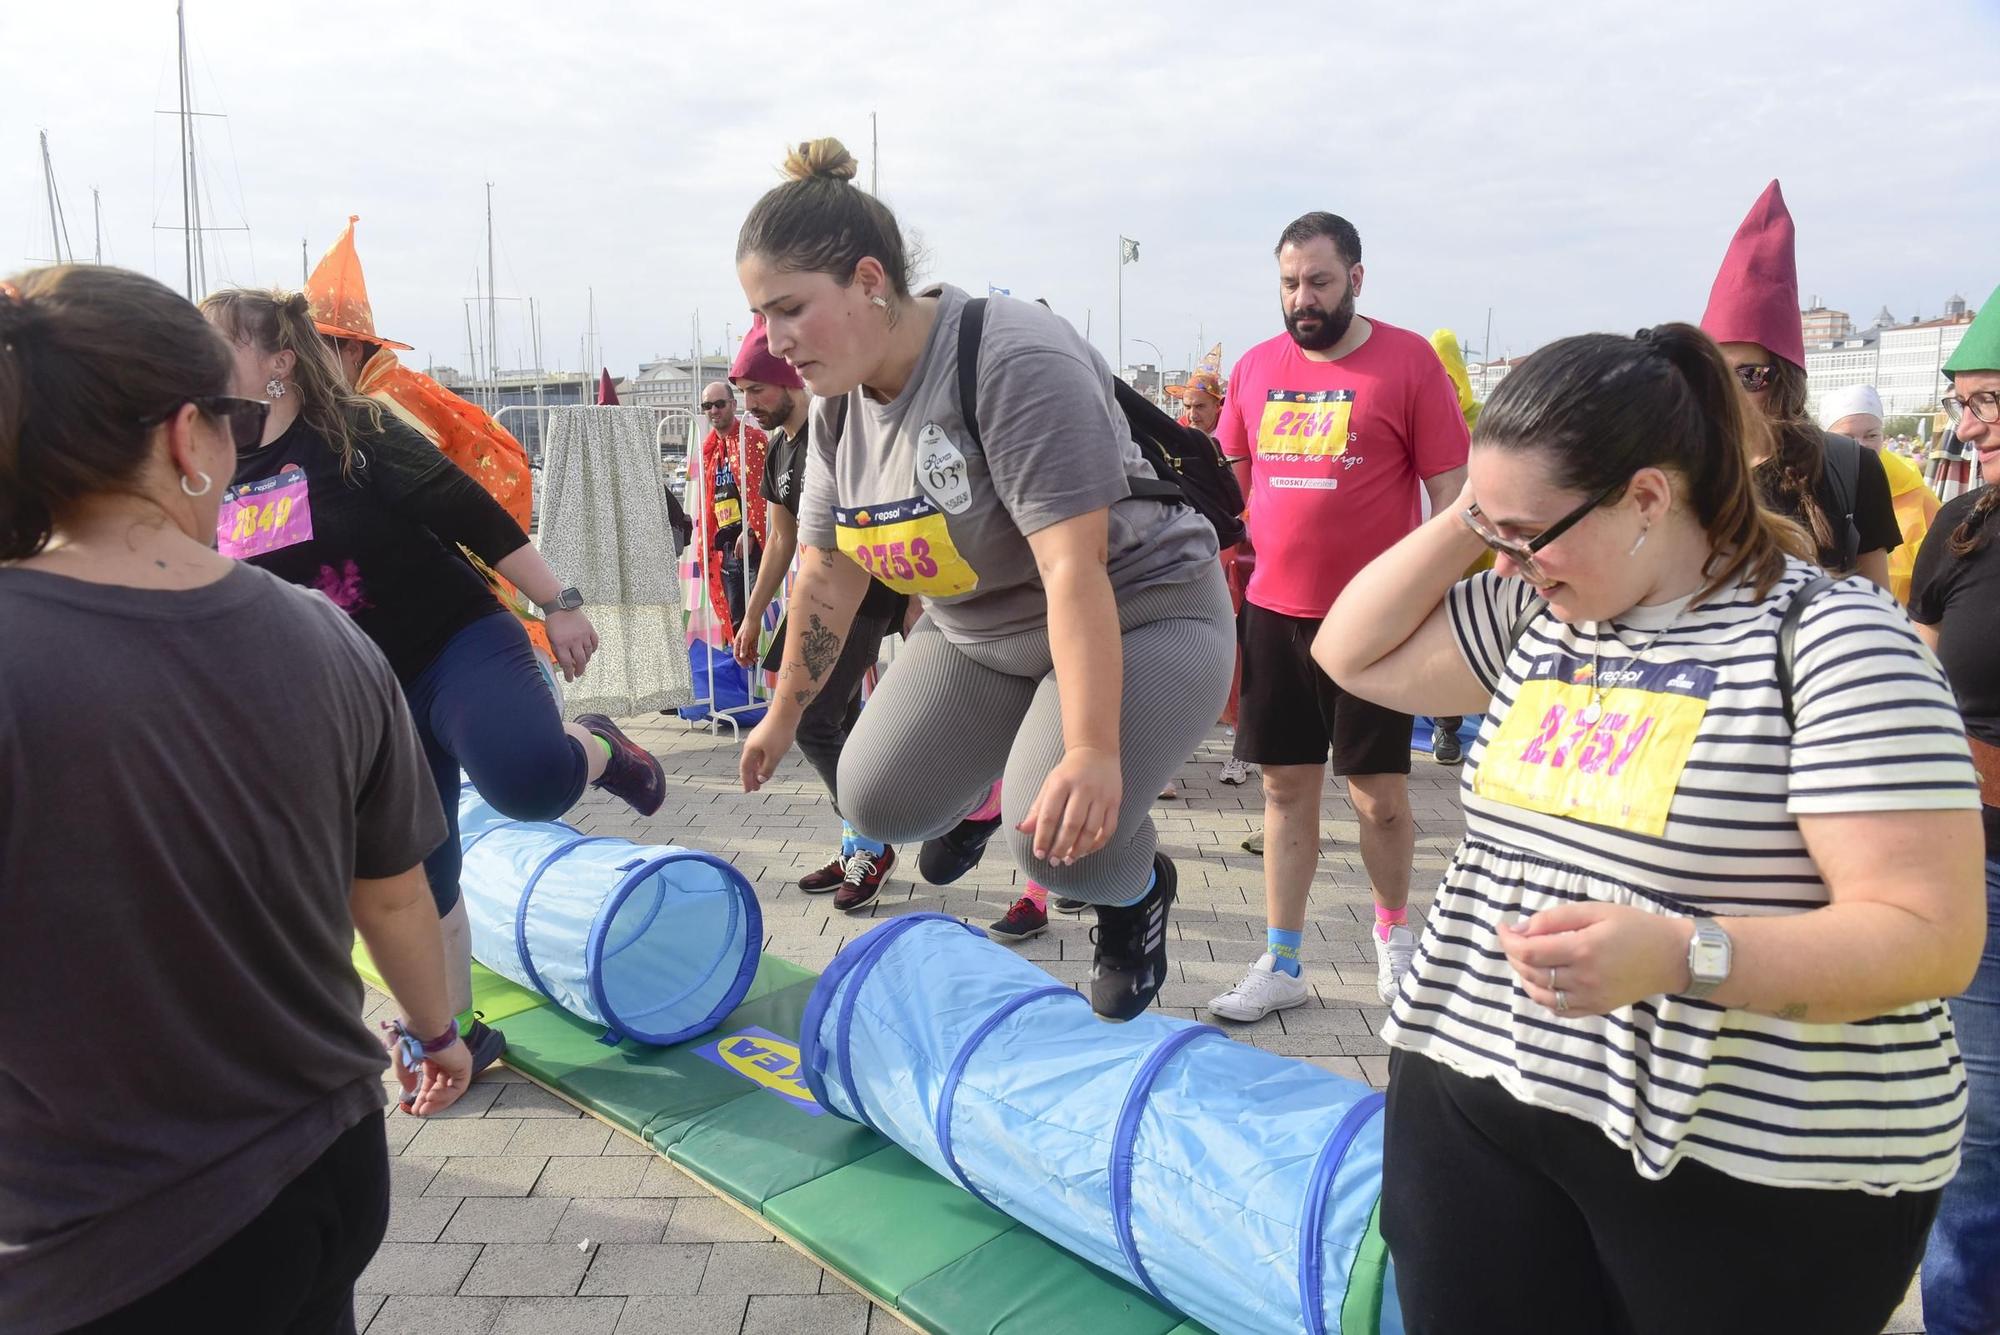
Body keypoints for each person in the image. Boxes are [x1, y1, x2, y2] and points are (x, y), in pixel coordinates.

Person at [1317, 322, 1980, 1335]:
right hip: (1473, 1089)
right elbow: (1347, 650)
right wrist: (1485, 514)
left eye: (1528, 534)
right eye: (1493, 536)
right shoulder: (1538, 611)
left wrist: (1680, 955)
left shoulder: (1834, 644)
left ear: (1644, 497)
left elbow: (1927, 938)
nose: (1508, 563)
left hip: (1750, 1161)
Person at [0, 264, 473, 1332]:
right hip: (325, 1164)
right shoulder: (323, 637)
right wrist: (435, 1032)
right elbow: (393, 895)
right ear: (185, 436)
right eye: (238, 419)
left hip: (104, 1231)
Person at [734, 138, 1232, 1020]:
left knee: (1058, 845)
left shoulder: (1008, 360)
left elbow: (1074, 571)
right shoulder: (838, 407)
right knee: (875, 796)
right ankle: (991, 788)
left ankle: (1136, 888)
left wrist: (1091, 752)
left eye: (789, 310)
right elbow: (825, 568)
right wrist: (783, 710)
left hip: (1142, 611)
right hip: (985, 635)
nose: (773, 344)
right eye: (760, 316)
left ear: (869, 279)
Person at [201, 287, 667, 1077]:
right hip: (360, 693)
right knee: (418, 864)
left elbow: (469, 512)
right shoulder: (211, 458)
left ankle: (594, 741)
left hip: (454, 643)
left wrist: (558, 603)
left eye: (216, 343)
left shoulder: (355, 431)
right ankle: (454, 1035)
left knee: (527, 783)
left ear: (279, 360)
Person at [1206, 211, 1470, 1024]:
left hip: (1375, 625)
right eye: (1289, 283)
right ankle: (1282, 959)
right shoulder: (1255, 368)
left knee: (1380, 796)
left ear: (1357, 277)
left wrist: (1429, 599)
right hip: (1275, 614)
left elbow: (1453, 495)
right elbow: (1231, 480)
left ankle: (1395, 942)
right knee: (1286, 789)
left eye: (1319, 281)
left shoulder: (1409, 363)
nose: (1303, 298)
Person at [306, 216, 559, 678]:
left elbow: (445, 499)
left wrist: (558, 603)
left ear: (352, 351)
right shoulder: (376, 390)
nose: (304, 365)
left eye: (316, 348)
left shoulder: (381, 405)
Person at [731, 319, 907, 909]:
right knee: (842, 724)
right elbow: (780, 543)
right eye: (742, 393)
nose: (748, 404)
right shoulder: (778, 450)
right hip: (817, 599)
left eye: (757, 389)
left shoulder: (839, 432)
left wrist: (917, 616)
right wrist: (753, 617)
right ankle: (858, 839)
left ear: (788, 381)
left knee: (813, 723)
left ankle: (874, 843)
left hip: (864, 596)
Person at [1909, 283, 2000, 1335]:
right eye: (1961, 403)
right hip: (1978, 868)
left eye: (1984, 404)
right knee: (1976, 1145)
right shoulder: (1961, 526)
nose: (1964, 428)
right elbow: (1918, 686)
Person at [1699, 181, 1898, 587]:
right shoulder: (1681, 470)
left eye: (1749, 376)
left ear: (1784, 380)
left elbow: (1879, 607)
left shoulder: (1851, 468)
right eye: (1713, 373)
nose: (1727, 394)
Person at [1166, 343, 1253, 788]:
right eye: (1187, 405)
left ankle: (1243, 748)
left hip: (1233, 560)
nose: (1192, 413)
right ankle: (1164, 759)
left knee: (1236, 654)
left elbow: (1248, 501)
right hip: (1186, 559)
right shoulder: (1176, 442)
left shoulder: (1236, 446)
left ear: (1219, 405)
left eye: (1200, 405)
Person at [1820, 383, 1939, 605]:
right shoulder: (1810, 491)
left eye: (1871, 435)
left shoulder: (1918, 496)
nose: (1861, 446)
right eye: (1846, 437)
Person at [697, 378, 769, 638]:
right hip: (727, 546)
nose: (714, 411)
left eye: (719, 404)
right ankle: (744, 672)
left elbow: (765, 494)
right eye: (708, 405)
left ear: (733, 405)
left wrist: (750, 531)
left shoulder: (752, 440)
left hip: (754, 545)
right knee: (735, 617)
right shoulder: (709, 449)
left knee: (758, 614)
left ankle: (764, 675)